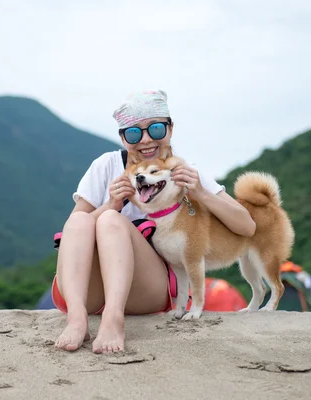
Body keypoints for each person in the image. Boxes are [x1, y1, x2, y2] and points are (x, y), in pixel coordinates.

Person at [52, 89, 256, 354]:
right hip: (86, 290)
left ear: (170, 129)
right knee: (81, 220)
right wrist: (110, 205)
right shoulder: (105, 166)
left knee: (111, 222)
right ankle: (77, 319)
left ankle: (114, 318)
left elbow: (247, 227)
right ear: (123, 138)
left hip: (145, 290)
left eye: (156, 129)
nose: (146, 140)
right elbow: (72, 234)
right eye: (134, 133)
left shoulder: (183, 170)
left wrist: (201, 194)